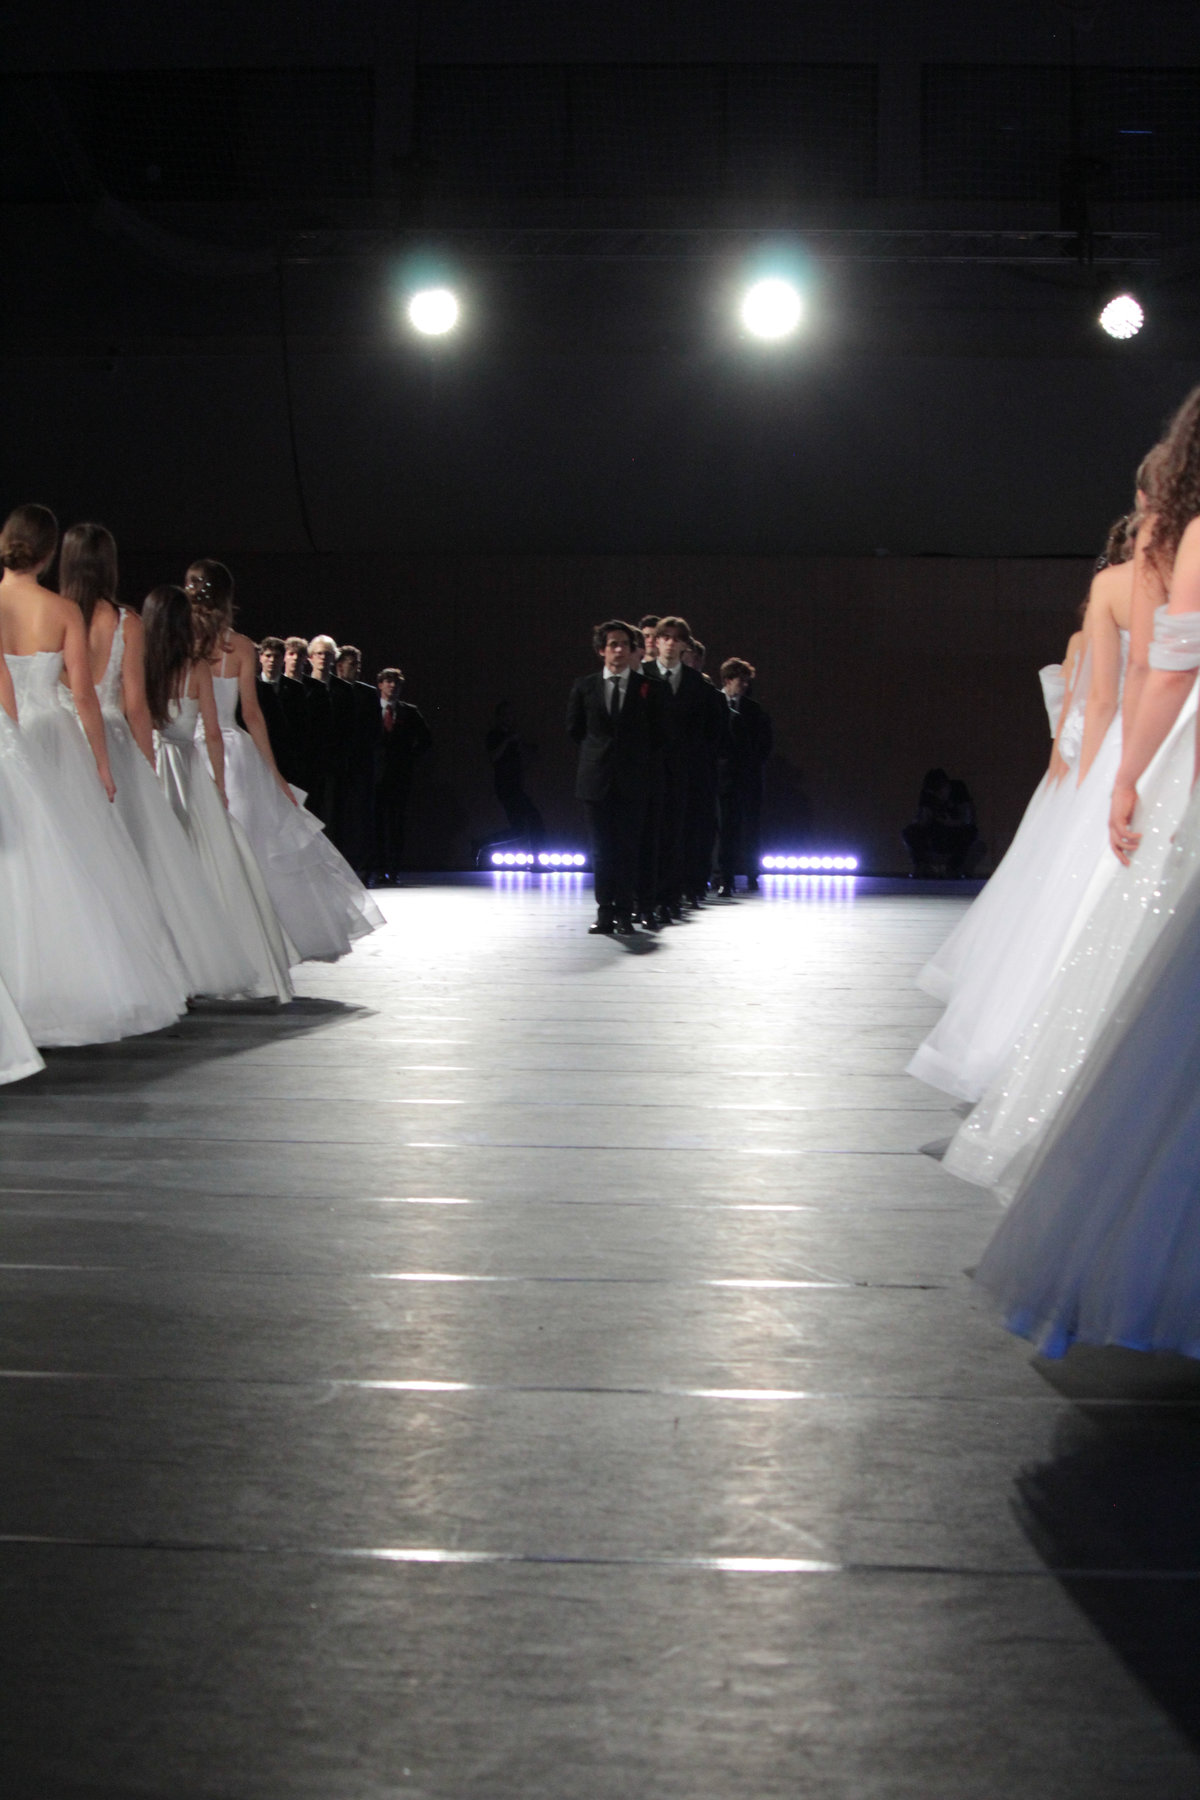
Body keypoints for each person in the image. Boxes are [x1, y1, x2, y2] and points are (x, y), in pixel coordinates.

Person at [0, 504, 189, 1041]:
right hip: (55, 739)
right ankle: (66, 985)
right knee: (66, 862)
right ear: (47, 554)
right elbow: (83, 695)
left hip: (9, 737)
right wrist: (102, 764)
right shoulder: (61, 610)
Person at [58, 523, 258, 1000]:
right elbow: (135, 706)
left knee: (71, 859)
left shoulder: (55, 614)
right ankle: (147, 969)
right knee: (137, 860)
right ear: (109, 565)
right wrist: (145, 766)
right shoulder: (125, 622)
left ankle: (79, 967)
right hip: (113, 740)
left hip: (60, 741)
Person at [187, 561, 383, 961]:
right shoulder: (240, 646)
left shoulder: (179, 642)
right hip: (231, 752)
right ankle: (246, 946)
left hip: (188, 747)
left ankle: (214, 947)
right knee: (249, 849)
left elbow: (246, 712)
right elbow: (252, 714)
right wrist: (272, 772)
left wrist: (274, 773)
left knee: (209, 848)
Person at [145, 583, 295, 1003]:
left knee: (157, 862)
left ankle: (163, 965)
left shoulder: (142, 667)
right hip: (187, 768)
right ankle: (211, 959)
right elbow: (212, 732)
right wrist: (218, 785)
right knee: (210, 863)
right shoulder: (195, 669)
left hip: (150, 765)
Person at [567, 619, 664, 935]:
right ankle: (604, 912)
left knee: (627, 849)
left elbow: (658, 735)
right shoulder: (585, 686)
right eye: (613, 645)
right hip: (596, 780)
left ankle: (625, 912)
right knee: (601, 850)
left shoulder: (649, 688)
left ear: (633, 649)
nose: (619, 650)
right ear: (601, 650)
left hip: (633, 780)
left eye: (624, 644)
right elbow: (575, 729)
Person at [653, 616, 722, 921]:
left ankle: (669, 898)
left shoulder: (697, 684)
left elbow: (711, 731)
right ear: (657, 641)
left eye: (676, 638)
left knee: (677, 836)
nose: (670, 643)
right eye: (665, 637)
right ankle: (646, 898)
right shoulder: (642, 676)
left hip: (685, 772)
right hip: (649, 770)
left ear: (684, 645)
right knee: (650, 836)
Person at [716, 658, 773, 895]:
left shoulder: (754, 709)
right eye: (742, 681)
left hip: (748, 777)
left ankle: (751, 873)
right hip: (721, 778)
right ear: (728, 680)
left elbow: (765, 743)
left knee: (750, 827)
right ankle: (725, 877)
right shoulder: (713, 705)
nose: (746, 685)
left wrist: (752, 763)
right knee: (725, 828)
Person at [374, 666, 432, 882]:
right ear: (380, 685)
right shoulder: (371, 709)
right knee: (376, 823)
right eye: (388, 682)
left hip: (399, 776)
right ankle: (377, 868)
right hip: (375, 775)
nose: (392, 686)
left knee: (396, 823)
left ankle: (394, 869)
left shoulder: (409, 712)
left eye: (396, 683)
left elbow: (426, 739)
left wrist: (409, 757)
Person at [332, 644, 381, 875]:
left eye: (358, 664)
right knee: (337, 814)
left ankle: (363, 867)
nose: (357, 669)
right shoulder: (331, 689)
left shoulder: (368, 693)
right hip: (337, 763)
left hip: (361, 764)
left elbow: (374, 730)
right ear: (340, 666)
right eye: (352, 664)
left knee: (362, 816)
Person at [485, 702, 545, 851]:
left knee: (518, 829)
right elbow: (493, 757)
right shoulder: (494, 735)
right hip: (506, 787)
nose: (509, 718)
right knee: (533, 818)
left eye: (511, 714)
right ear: (499, 717)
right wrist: (508, 741)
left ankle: (479, 844)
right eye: (505, 714)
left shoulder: (513, 737)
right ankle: (538, 857)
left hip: (515, 786)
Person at [901, 768, 979, 879]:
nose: (939, 796)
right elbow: (922, 820)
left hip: (956, 832)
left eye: (940, 792)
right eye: (935, 793)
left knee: (971, 832)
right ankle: (922, 867)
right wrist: (922, 818)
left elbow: (968, 819)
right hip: (935, 832)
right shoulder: (928, 794)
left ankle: (954, 868)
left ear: (947, 786)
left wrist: (952, 823)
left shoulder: (958, 789)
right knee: (909, 832)